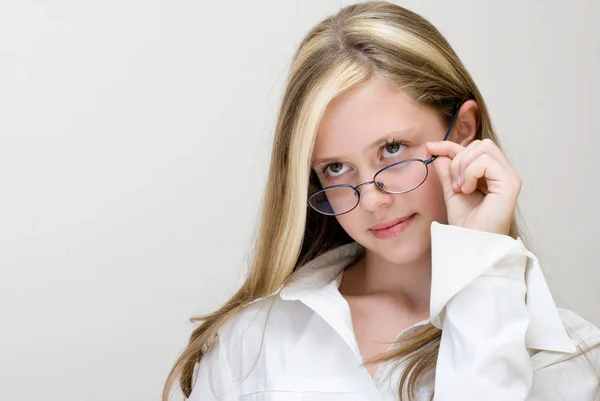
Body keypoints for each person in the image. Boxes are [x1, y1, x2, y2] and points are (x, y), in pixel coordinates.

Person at [163, 2, 600, 400]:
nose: (371, 199)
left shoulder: (568, 357)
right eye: (335, 167)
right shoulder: (250, 344)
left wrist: (481, 271)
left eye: (392, 148)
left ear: (463, 130)